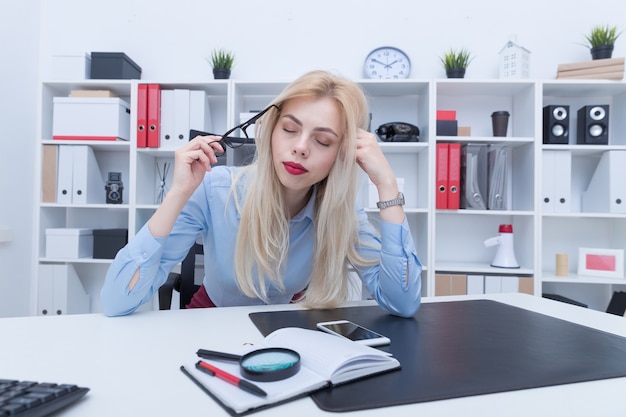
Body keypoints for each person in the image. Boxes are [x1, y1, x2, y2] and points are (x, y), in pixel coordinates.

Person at [101, 70, 422, 318]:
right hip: (208, 323)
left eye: (322, 141)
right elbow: (116, 302)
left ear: (341, 154)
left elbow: (402, 302)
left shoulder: (339, 210)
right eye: (290, 129)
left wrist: (387, 186)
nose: (300, 147)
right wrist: (178, 193)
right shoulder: (214, 189)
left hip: (283, 332)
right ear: (270, 132)